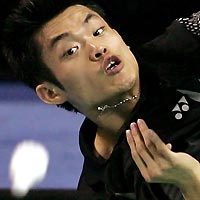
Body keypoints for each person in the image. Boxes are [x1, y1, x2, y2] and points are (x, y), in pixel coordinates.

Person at [1, 0, 200, 199]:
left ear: (120, 37)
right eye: (71, 50)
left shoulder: (185, 46)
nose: (97, 48)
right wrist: (191, 181)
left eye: (97, 31)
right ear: (52, 93)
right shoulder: (110, 189)